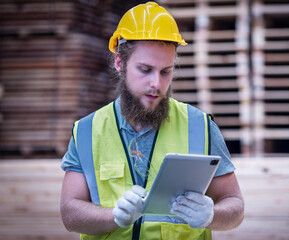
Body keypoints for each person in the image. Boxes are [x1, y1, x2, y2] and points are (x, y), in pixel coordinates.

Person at [60, 2, 244, 239]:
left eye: (165, 71)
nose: (156, 84)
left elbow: (234, 205)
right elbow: (70, 213)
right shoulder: (87, 131)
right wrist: (113, 216)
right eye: (145, 69)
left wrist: (211, 216)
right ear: (120, 63)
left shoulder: (200, 127)